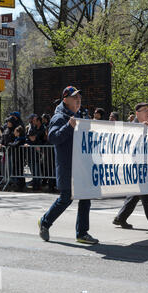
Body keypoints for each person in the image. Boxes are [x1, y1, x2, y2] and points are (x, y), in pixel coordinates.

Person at [38, 86, 98, 244]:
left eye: (79, 97)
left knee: (85, 196)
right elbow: (53, 138)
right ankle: (45, 222)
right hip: (68, 166)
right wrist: (69, 126)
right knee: (66, 199)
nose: (78, 100)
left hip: (82, 165)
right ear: (65, 100)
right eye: (74, 97)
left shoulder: (82, 114)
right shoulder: (59, 117)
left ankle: (82, 233)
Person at [112, 102, 148, 232]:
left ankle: (121, 217)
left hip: (146, 165)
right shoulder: (131, 127)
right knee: (145, 193)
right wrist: (140, 130)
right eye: (145, 110)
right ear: (137, 113)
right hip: (135, 166)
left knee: (136, 193)